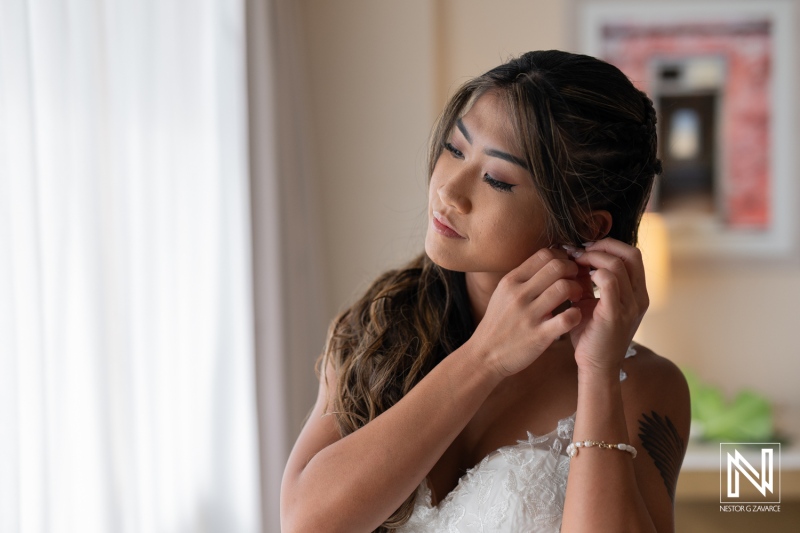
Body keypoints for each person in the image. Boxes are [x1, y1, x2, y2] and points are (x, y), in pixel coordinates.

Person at [280, 50, 691, 533]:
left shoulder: (643, 384)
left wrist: (598, 373)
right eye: (454, 149)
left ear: (584, 225)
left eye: (497, 178)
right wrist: (485, 356)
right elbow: (306, 523)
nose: (449, 191)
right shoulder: (377, 326)